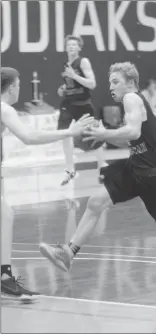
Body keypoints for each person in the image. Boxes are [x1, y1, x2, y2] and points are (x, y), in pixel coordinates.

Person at [39, 62, 156, 273]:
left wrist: (104, 135)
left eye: (115, 82)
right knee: (96, 202)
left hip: (155, 175)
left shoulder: (131, 98)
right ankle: (68, 253)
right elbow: (132, 140)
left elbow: (132, 132)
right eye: (110, 83)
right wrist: (103, 135)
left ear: (131, 82)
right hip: (135, 168)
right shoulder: (131, 102)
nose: (111, 87)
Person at [1, 67, 94, 301]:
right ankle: (4, 279)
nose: (20, 88)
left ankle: (4, 278)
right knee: (5, 215)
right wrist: (69, 132)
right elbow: (29, 137)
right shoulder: (4, 109)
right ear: (12, 87)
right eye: (19, 83)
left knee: (5, 215)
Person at [58, 35, 106, 186]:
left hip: (83, 104)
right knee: (64, 134)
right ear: (66, 47)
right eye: (69, 45)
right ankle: (70, 169)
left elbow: (92, 84)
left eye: (74, 45)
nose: (71, 47)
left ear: (79, 48)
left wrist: (74, 76)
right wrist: (63, 88)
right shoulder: (66, 64)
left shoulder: (83, 62)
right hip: (68, 104)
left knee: (94, 134)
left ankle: (102, 165)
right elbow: (72, 85)